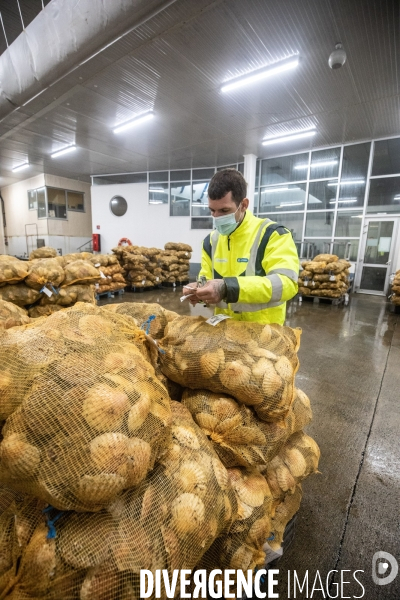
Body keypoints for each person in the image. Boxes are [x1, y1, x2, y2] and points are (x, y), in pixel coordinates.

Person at [183, 169, 299, 324]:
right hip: (226, 331)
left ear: (243, 205)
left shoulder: (271, 235)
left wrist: (227, 288)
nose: (216, 217)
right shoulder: (211, 242)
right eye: (212, 210)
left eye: (224, 210)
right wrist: (199, 291)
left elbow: (287, 284)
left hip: (264, 333)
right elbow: (207, 280)